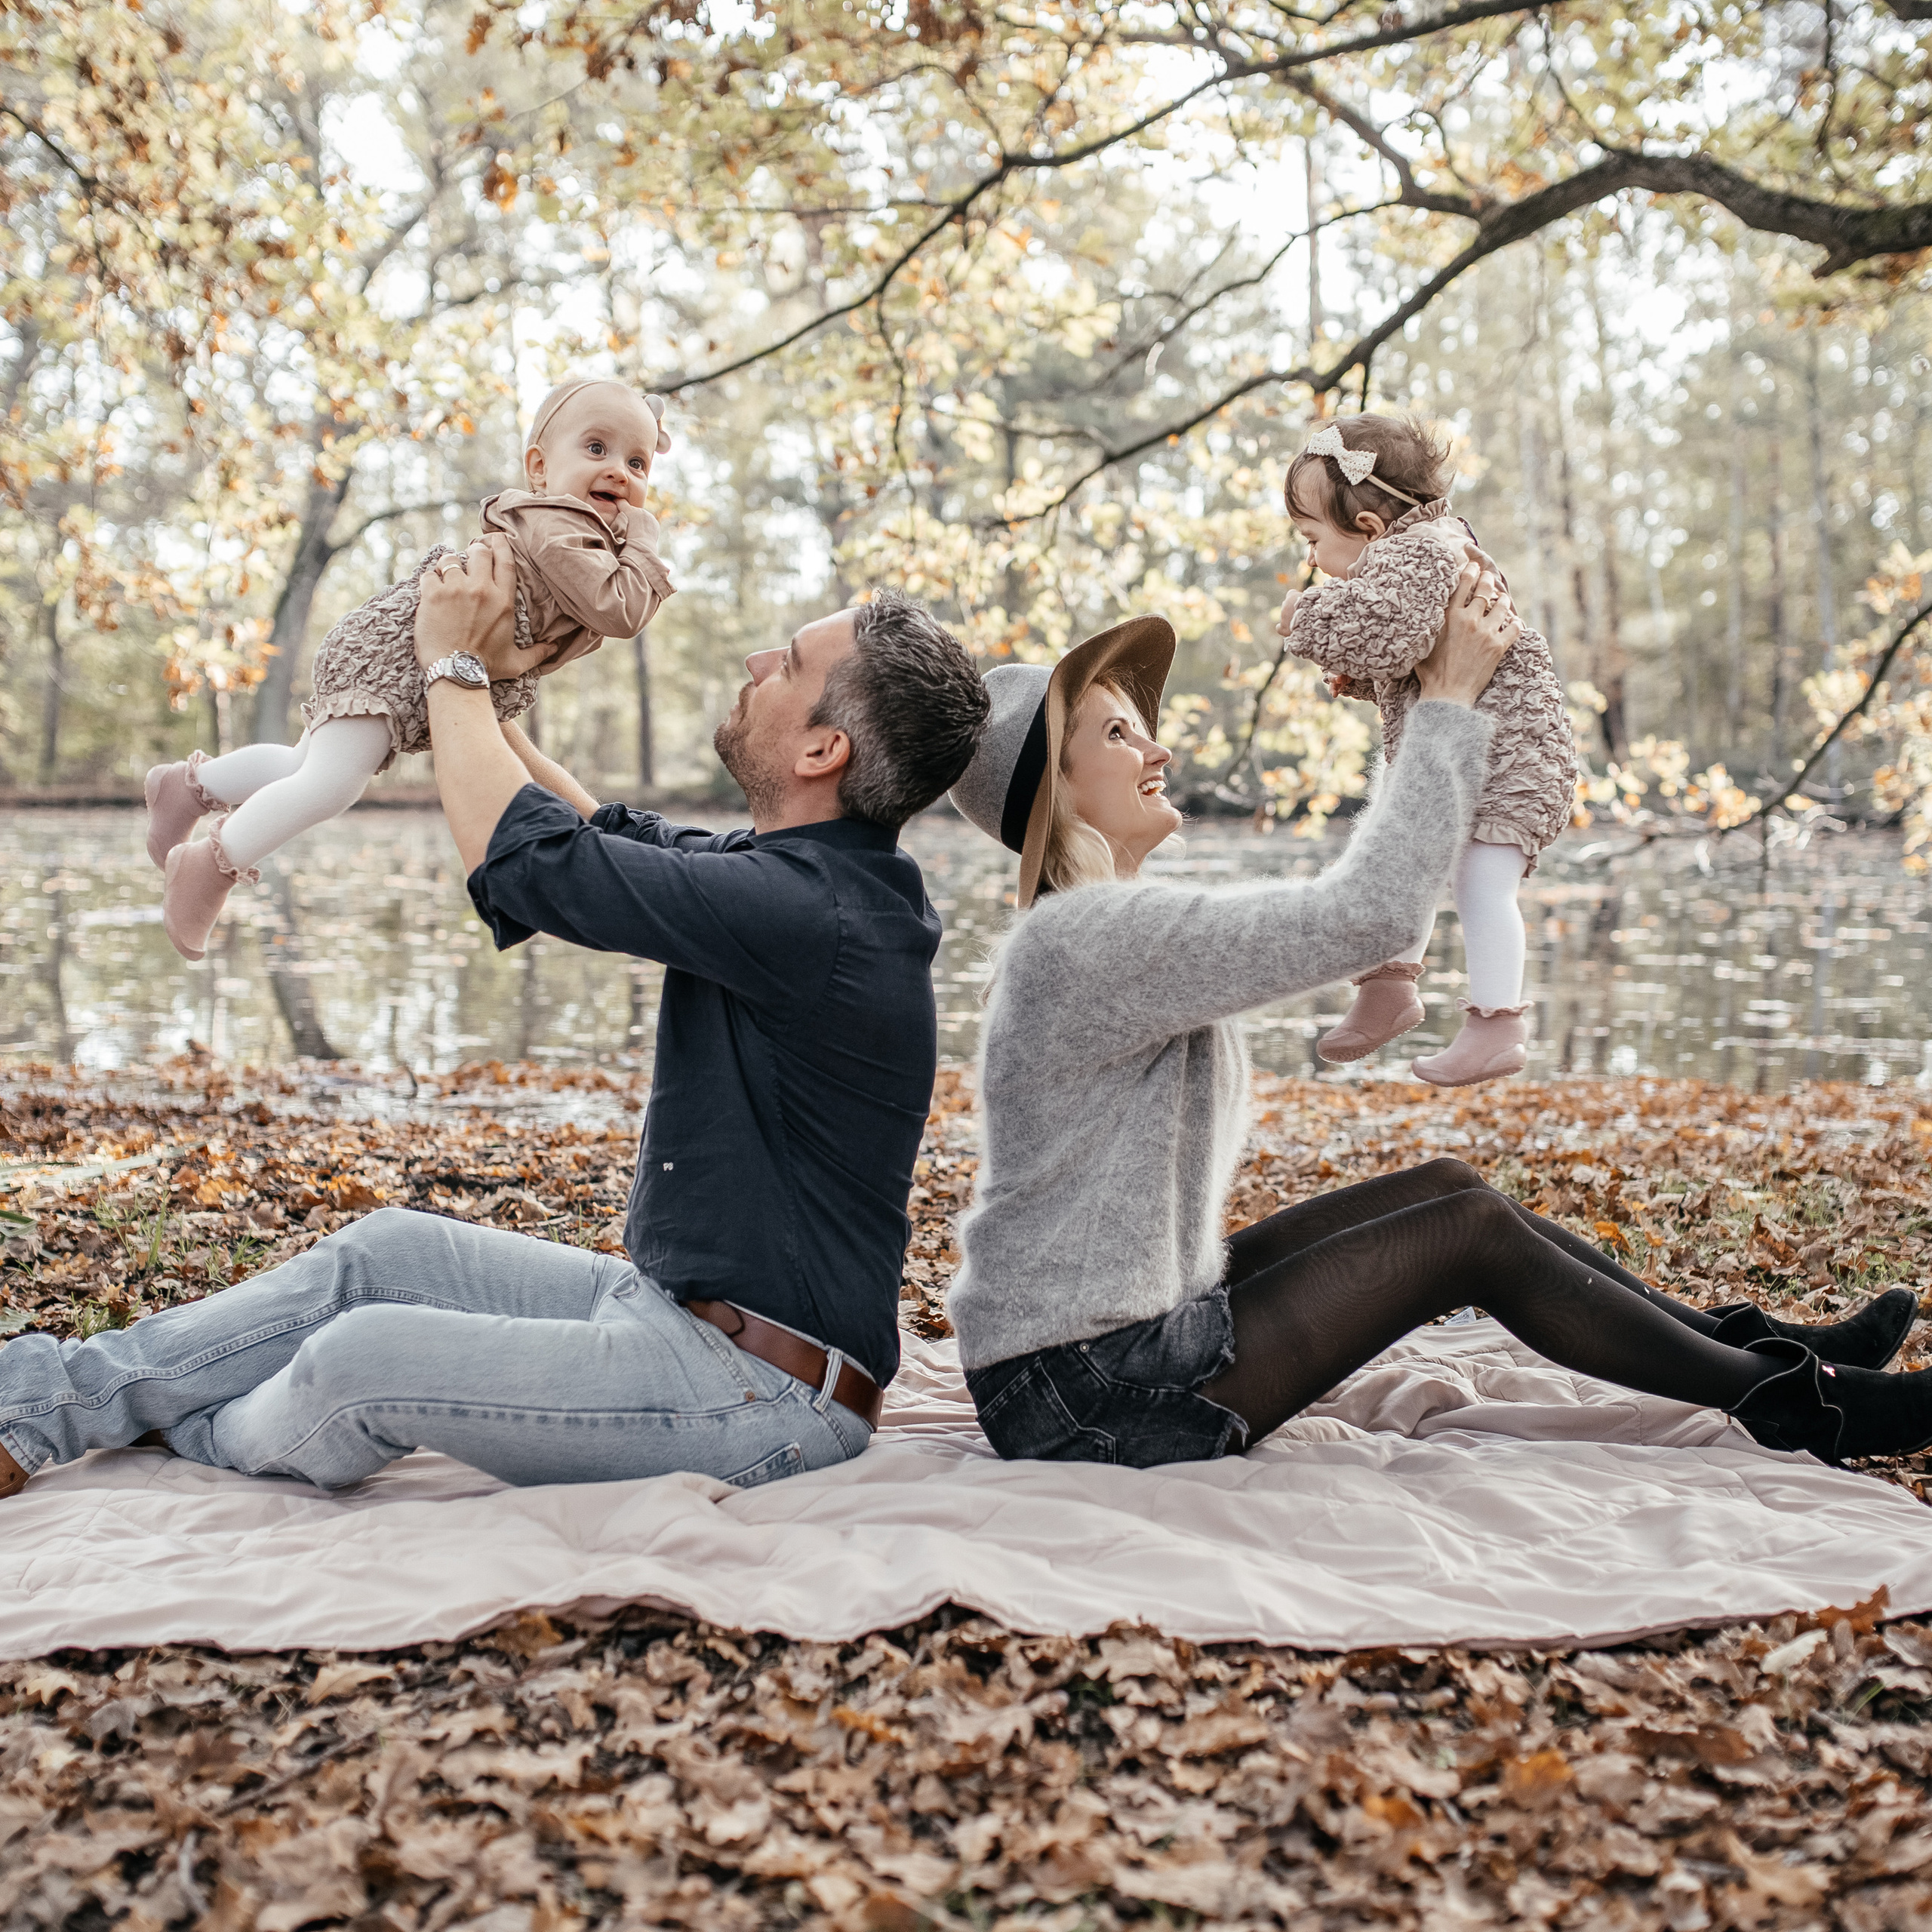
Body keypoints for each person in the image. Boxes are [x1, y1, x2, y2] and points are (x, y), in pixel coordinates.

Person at [0, 559, 990, 1501]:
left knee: (362, 1362)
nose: (755, 664)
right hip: (670, 1316)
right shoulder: (804, 877)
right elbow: (595, 832)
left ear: (826, 749)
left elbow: (525, 861)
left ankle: (186, 1433)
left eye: (789, 660)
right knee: (378, 1255)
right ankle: (34, 1405)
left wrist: (452, 662)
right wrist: (490, 689)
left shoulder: (812, 914)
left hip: (759, 1392)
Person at [940, 584, 1927, 1472]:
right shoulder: (1092, 937)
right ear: (1056, 794)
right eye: (1116, 735)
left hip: (1116, 1335)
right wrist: (1444, 706)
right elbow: (1365, 911)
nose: (1157, 748)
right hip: (1087, 1392)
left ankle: (1759, 1350)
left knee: (1452, 1187)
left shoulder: (1098, 929)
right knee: (1467, 1232)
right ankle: (1805, 1405)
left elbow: (1353, 917)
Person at [144, 377, 677, 962]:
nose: (620, 474)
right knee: (332, 784)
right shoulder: (559, 527)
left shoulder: (575, 535)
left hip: (400, 640)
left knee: (306, 764)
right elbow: (619, 609)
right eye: (596, 449)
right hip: (404, 650)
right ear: (540, 468)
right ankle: (210, 864)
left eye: (638, 462)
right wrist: (643, 539)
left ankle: (190, 788)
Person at [1278, 414, 1577, 1086]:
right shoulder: (1424, 550)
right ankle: (1388, 988)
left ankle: (1498, 1025)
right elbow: (1412, 653)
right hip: (1480, 747)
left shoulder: (1419, 554)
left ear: (1369, 531)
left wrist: (1308, 618)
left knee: (1480, 883)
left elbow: (1387, 635)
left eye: (1313, 539)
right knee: (1410, 854)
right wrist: (1363, 681)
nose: (1312, 560)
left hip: (1511, 759)